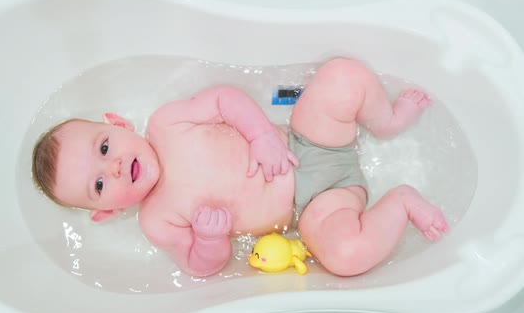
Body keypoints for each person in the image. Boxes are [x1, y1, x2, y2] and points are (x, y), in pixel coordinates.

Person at [32, 57, 449, 277]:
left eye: (105, 147)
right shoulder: (157, 221)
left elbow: (223, 100)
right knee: (343, 254)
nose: (118, 167)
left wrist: (262, 136)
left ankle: (387, 121)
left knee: (343, 76)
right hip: (315, 207)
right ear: (107, 212)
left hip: (305, 139)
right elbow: (201, 267)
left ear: (118, 124)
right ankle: (401, 204)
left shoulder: (166, 122)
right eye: (100, 184)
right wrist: (210, 239)